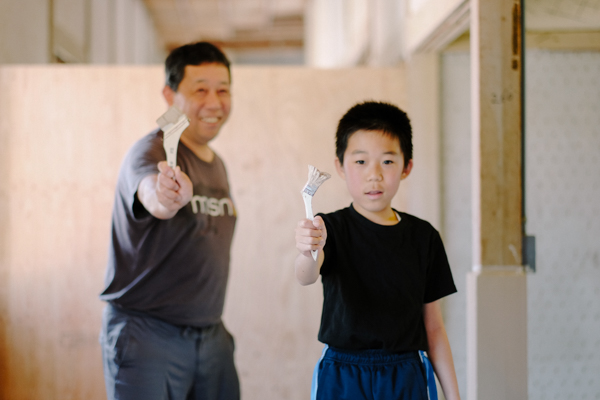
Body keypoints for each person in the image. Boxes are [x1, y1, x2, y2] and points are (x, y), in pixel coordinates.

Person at [99, 42, 239, 400]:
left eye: (223, 90)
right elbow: (152, 194)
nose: (214, 102)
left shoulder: (216, 163)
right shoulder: (148, 154)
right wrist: (165, 196)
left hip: (210, 336)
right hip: (147, 335)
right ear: (169, 94)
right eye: (200, 89)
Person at [294, 101, 461, 400]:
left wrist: (454, 395)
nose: (374, 175)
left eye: (387, 161)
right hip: (342, 373)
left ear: (406, 166)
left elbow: (433, 326)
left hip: (406, 372)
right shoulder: (328, 228)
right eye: (360, 162)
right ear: (340, 166)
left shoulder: (424, 237)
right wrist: (307, 249)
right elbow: (306, 276)